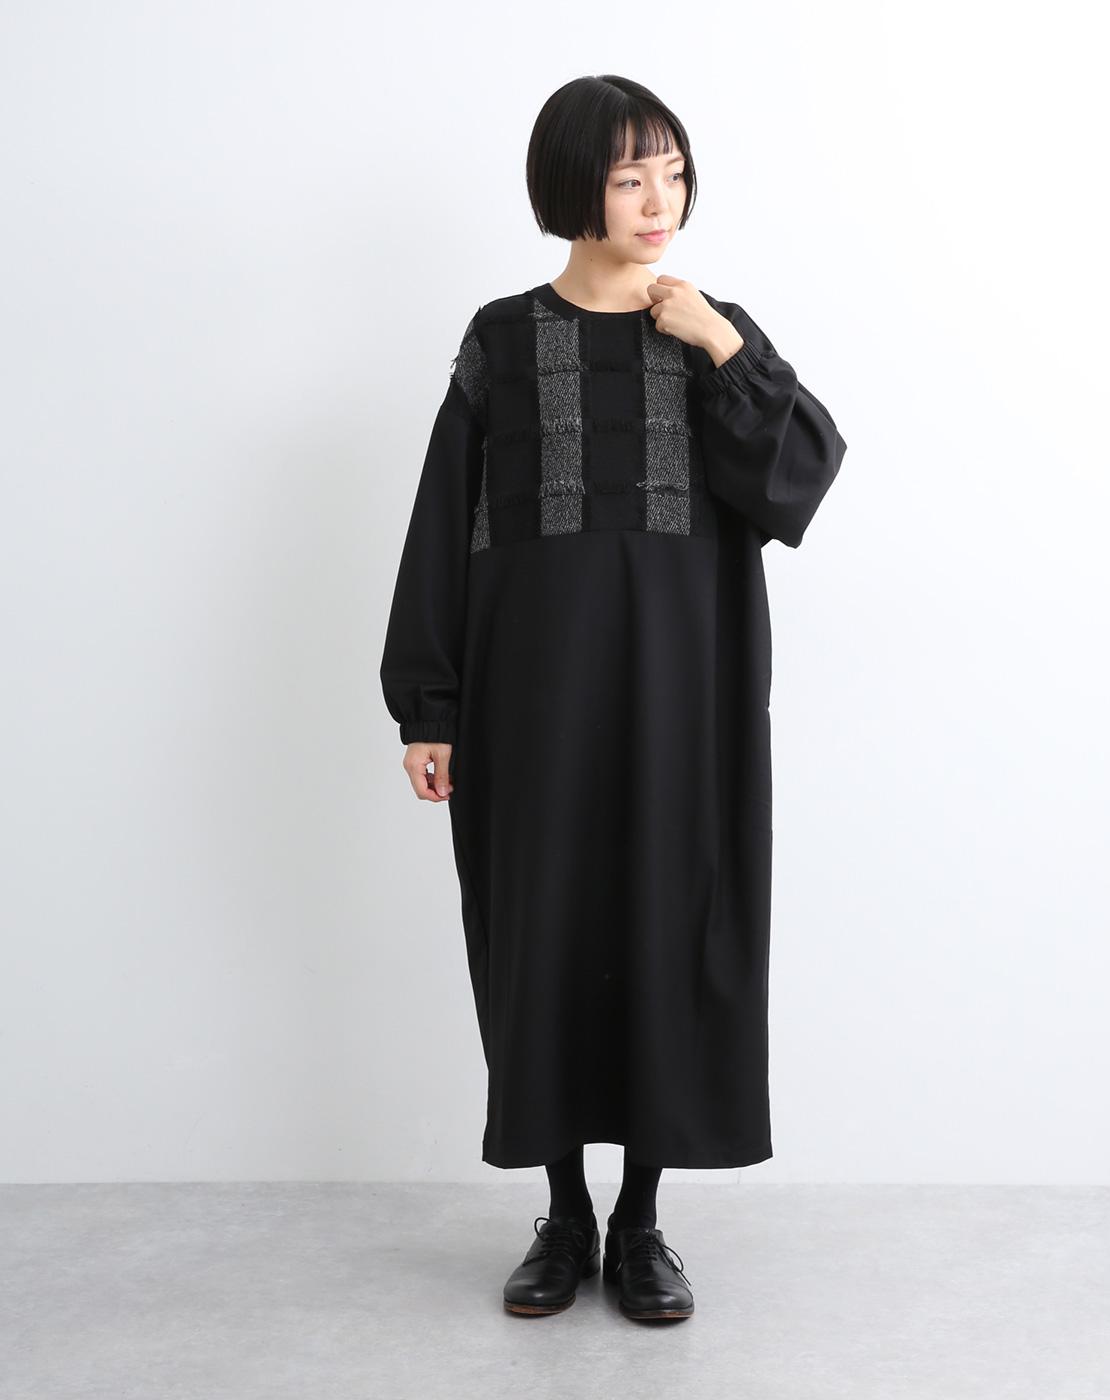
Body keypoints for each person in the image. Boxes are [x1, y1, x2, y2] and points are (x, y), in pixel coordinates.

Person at [380, 74, 848, 1322]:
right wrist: (428, 703)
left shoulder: (714, 333)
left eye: (673, 173)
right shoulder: (501, 341)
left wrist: (721, 345)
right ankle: (563, 1215)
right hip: (532, 705)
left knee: (666, 929)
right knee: (542, 934)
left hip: (684, 701)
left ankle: (642, 1220)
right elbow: (440, 526)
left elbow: (802, 480)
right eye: (631, 175)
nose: (659, 200)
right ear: (572, 186)